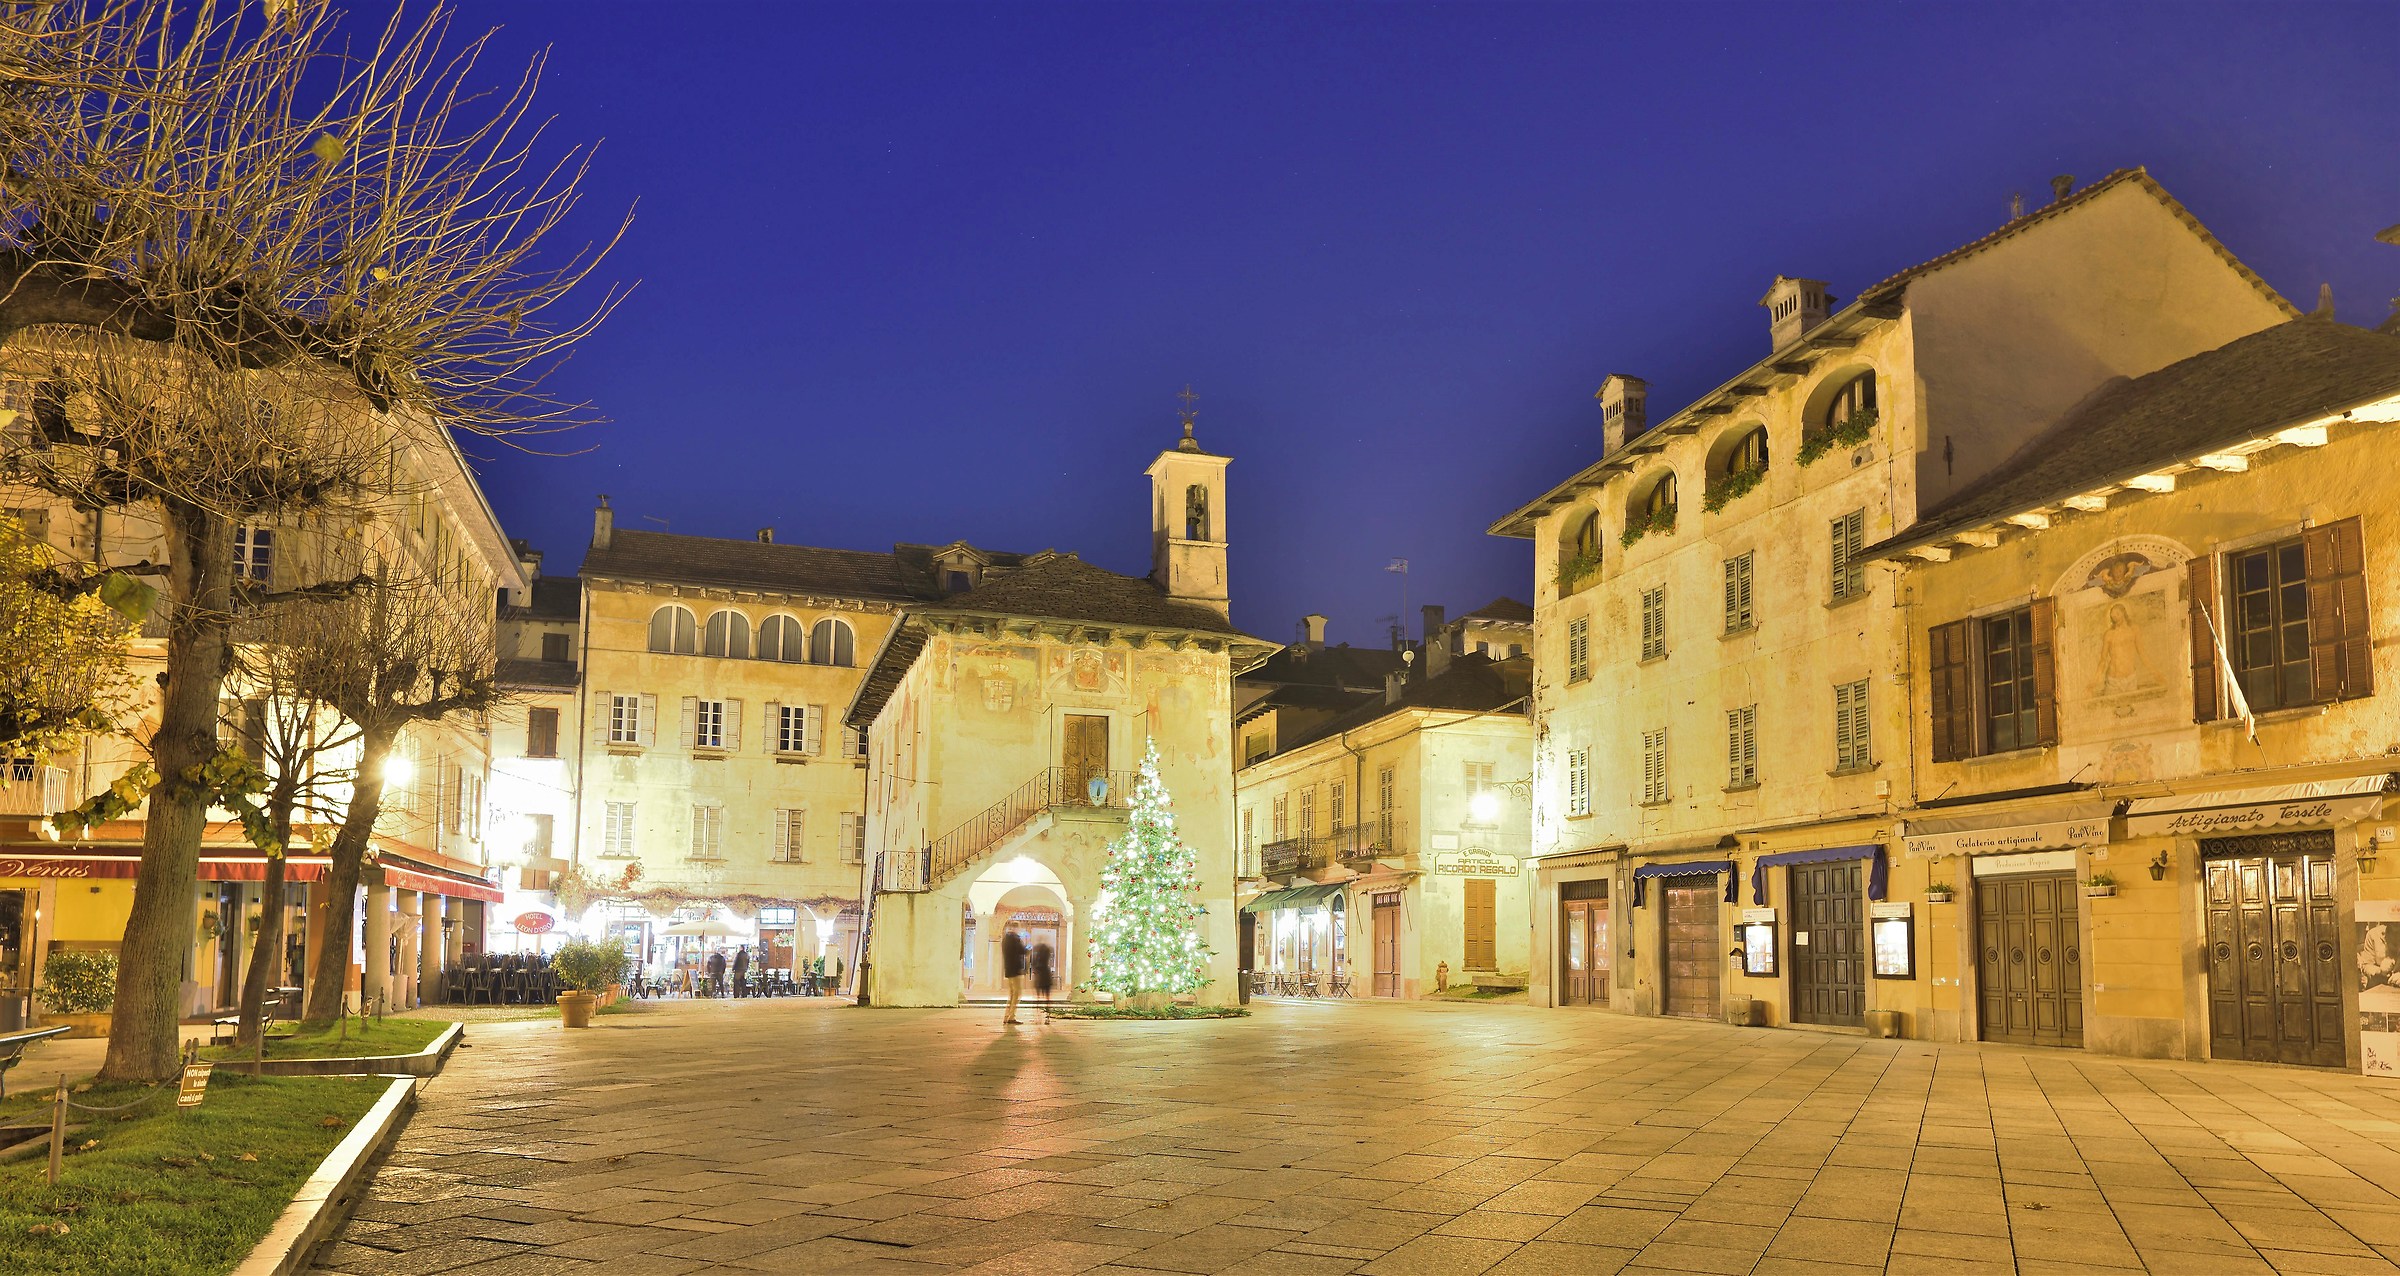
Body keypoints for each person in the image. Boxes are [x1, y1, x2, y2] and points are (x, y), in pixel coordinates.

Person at [999, 929, 1027, 1024]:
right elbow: (1023, 951)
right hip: (1015, 970)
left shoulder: (1005, 940)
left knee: (1011, 994)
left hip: (1009, 970)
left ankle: (1007, 1016)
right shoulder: (1015, 939)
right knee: (1017, 993)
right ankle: (1011, 1016)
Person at [1029, 940, 1055, 1020]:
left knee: (1038, 997)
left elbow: (1032, 962)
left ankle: (1037, 1015)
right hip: (1045, 977)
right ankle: (1047, 1015)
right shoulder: (1045, 961)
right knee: (1047, 997)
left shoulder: (1037, 961)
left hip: (1040, 977)